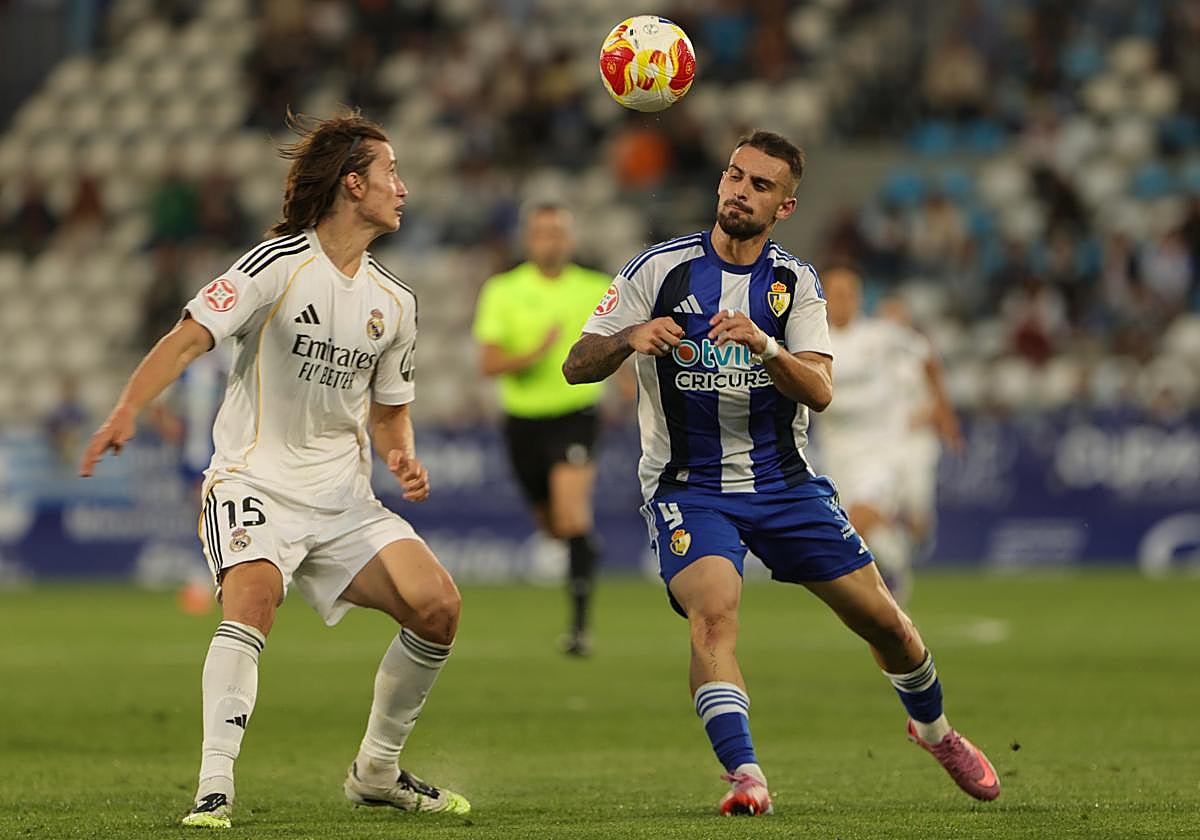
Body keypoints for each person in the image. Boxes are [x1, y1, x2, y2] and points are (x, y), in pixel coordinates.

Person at [562, 130, 999, 816]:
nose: (741, 191)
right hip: (689, 488)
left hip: (785, 485)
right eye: (735, 176)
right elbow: (575, 365)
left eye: (761, 185)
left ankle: (935, 732)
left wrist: (765, 346)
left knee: (887, 626)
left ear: (785, 207)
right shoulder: (657, 270)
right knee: (713, 615)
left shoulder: (795, 284)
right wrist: (627, 338)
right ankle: (746, 776)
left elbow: (820, 390)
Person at [79, 110, 470, 829]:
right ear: (353, 184)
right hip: (253, 480)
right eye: (391, 173)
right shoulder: (275, 266)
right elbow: (189, 336)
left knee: (439, 607)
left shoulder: (395, 303)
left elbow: (389, 412)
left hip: (342, 500)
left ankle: (377, 771)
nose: (403, 188)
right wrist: (129, 407)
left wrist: (401, 455)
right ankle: (214, 787)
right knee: (254, 599)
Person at [471, 203, 612, 655]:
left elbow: (620, 342)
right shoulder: (503, 290)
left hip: (576, 412)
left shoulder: (596, 288)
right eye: (542, 233)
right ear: (529, 239)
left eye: (557, 232)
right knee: (554, 528)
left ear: (570, 239)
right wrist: (534, 353)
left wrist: (629, 384)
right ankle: (585, 549)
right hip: (522, 421)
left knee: (571, 516)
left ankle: (580, 630)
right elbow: (489, 363)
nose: (550, 241)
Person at [816, 272, 963, 604]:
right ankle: (894, 559)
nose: (841, 301)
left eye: (847, 293)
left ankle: (884, 568)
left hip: (879, 451)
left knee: (859, 518)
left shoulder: (880, 335)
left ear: (858, 297)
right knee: (849, 528)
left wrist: (945, 413)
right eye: (834, 294)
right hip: (836, 453)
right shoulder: (813, 341)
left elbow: (927, 356)